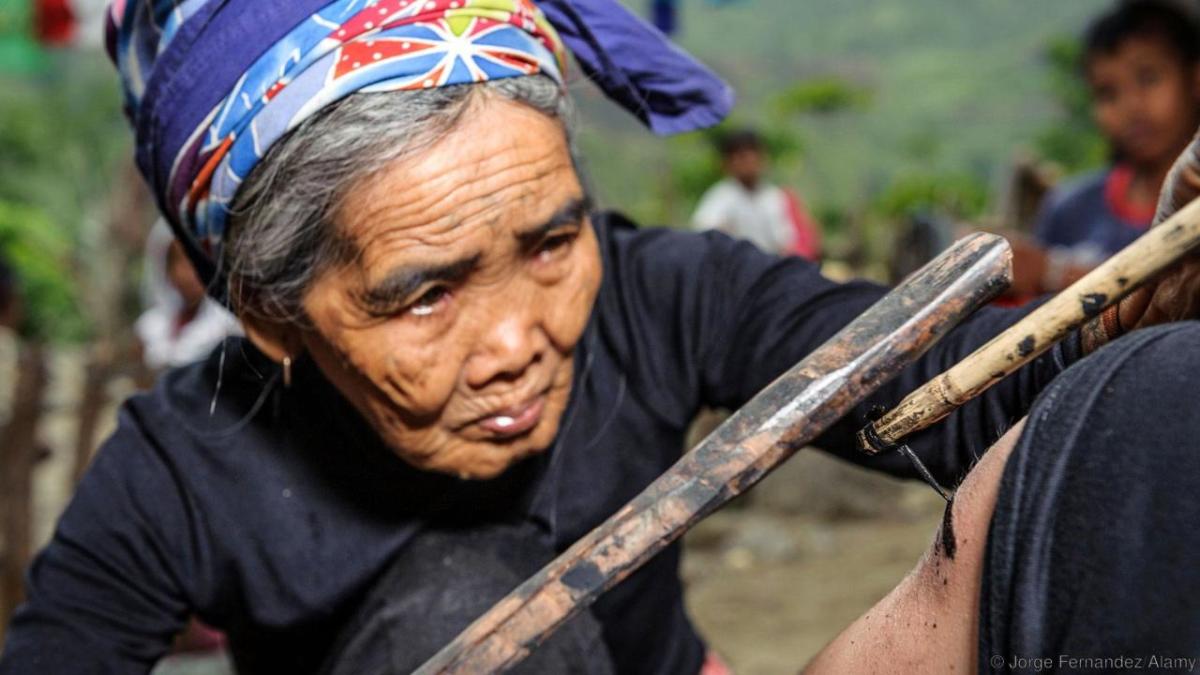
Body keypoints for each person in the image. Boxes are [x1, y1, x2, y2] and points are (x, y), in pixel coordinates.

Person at [2, 1, 1199, 673]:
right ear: (270, 314)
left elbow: (980, 387)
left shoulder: (655, 293)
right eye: (424, 295)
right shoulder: (180, 469)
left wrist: (1159, 302)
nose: (521, 338)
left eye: (551, 242)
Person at [1026, 0, 1200, 293]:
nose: (1131, 107)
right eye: (1107, 93)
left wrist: (1056, 272)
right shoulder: (1069, 209)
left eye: (1148, 78)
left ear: (1195, 78)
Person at [691, 129, 822, 259]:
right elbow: (707, 234)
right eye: (741, 157)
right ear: (727, 163)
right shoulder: (721, 197)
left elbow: (787, 242)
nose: (749, 162)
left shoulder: (774, 196)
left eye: (753, 154)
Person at [135, 221, 242, 371]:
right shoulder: (151, 328)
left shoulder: (230, 328)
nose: (186, 274)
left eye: (193, 261)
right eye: (176, 262)